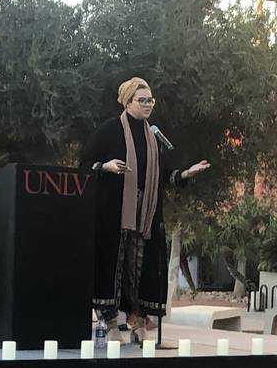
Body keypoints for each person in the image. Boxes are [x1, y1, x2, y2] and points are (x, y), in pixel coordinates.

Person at [80, 77, 209, 342]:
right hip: (114, 214)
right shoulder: (110, 130)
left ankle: (137, 321)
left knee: (139, 269)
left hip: (145, 215)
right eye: (143, 100)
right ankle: (112, 323)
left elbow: (164, 175)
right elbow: (85, 163)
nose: (148, 104)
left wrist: (185, 174)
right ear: (128, 102)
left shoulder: (153, 136)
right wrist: (106, 167)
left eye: (151, 99)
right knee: (113, 267)